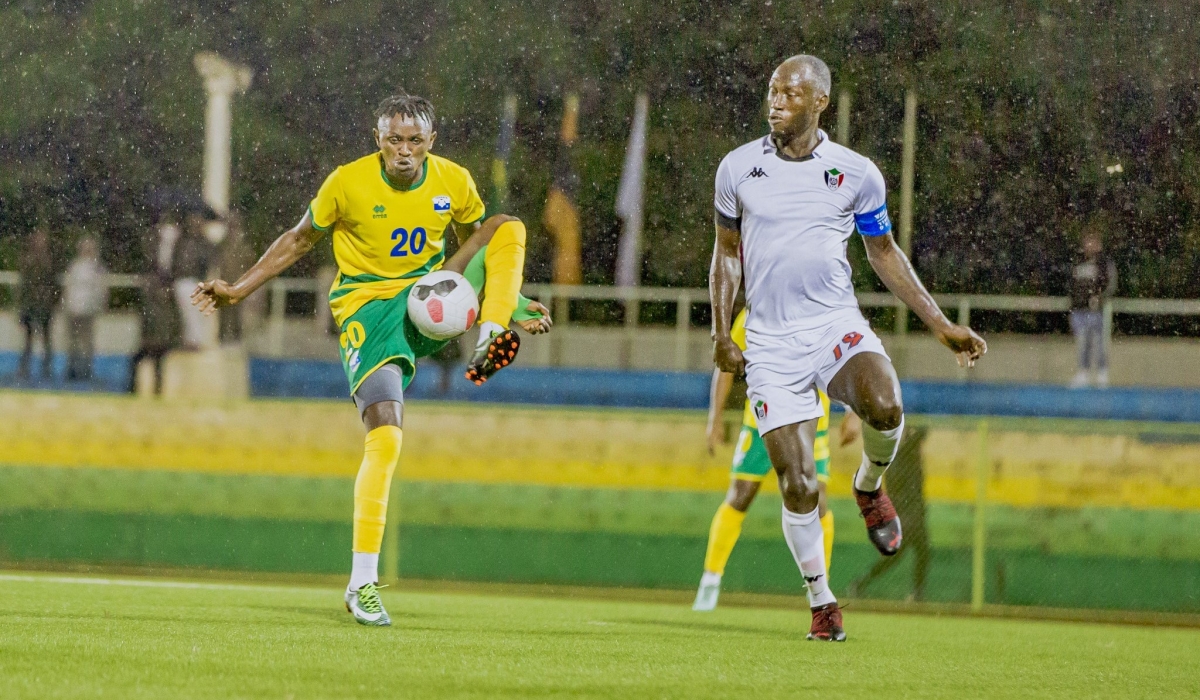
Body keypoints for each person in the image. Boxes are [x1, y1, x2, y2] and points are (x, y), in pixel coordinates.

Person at [191, 92, 552, 626]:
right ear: (377, 140)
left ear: (432, 141)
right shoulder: (348, 182)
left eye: (414, 141)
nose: (403, 151)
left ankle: (492, 331)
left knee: (505, 226)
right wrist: (239, 290)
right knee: (386, 433)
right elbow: (298, 240)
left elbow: (479, 248)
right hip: (368, 314)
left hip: (426, 300)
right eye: (393, 140)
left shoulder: (453, 180)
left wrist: (513, 302)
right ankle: (362, 582)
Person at [709, 55, 986, 641]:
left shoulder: (856, 173)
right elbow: (727, 252)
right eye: (771, 90)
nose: (776, 100)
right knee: (799, 484)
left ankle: (868, 486)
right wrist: (719, 331)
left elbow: (883, 253)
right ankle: (822, 600)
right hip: (771, 342)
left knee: (887, 407)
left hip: (834, 324)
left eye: (790, 92)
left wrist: (940, 326)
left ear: (820, 103)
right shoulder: (736, 168)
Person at [692, 307, 861, 611]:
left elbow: (842, 363)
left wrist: (853, 411)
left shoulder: (821, 311)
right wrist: (714, 418)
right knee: (739, 497)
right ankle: (710, 578)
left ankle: (819, 589)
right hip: (762, 422)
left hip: (810, 427)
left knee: (818, 504)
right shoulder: (757, 311)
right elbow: (726, 365)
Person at [845, 424, 930, 601]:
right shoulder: (899, 460)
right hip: (906, 515)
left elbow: (919, 436)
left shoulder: (906, 458)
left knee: (921, 552)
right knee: (899, 556)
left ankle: (917, 592)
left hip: (914, 514)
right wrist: (910, 434)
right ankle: (862, 582)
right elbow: (917, 437)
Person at [128, 219, 182, 394]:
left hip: (159, 341)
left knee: (154, 362)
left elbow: (170, 323)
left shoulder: (165, 304)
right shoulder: (151, 302)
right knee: (148, 362)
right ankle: (142, 389)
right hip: (155, 340)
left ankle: (148, 390)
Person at [1069, 225, 1117, 388]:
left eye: (1093, 241)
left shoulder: (1103, 263)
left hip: (1096, 311)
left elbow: (1110, 284)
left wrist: (1099, 298)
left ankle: (1102, 373)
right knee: (1082, 342)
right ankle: (1083, 372)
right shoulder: (1077, 261)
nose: (1089, 245)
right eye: (1087, 241)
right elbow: (1071, 284)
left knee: (1099, 342)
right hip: (1079, 310)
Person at [63, 236, 108, 381]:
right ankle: (73, 369)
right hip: (75, 309)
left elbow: (101, 290)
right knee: (75, 341)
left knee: (85, 341)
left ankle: (84, 369)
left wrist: (99, 305)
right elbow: (69, 287)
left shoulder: (96, 268)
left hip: (87, 309)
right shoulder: (76, 266)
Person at [17, 228, 58, 381]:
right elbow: (25, 285)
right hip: (32, 305)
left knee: (46, 337)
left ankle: (46, 368)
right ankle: (25, 368)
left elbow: (51, 284)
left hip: (43, 305)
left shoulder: (48, 260)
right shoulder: (29, 260)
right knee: (29, 339)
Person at [173, 208, 217, 349]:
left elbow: (209, 263)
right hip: (181, 280)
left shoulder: (204, 243)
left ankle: (195, 341)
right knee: (185, 313)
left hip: (196, 280)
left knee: (195, 312)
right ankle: (188, 340)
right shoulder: (181, 240)